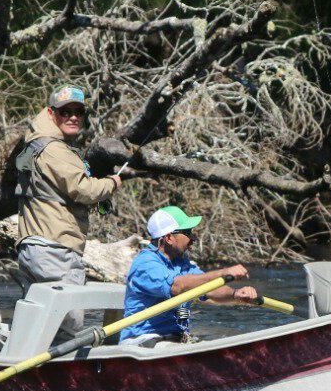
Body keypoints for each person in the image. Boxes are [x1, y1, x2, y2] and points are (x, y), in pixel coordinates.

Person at [16, 84, 122, 337]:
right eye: (65, 112)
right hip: (56, 251)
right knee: (67, 327)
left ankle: (30, 372)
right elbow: (83, 190)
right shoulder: (54, 148)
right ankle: (65, 375)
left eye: (79, 112)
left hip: (35, 248)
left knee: (37, 324)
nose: (73, 117)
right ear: (52, 114)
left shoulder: (39, 143)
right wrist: (112, 183)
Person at [119, 205, 259, 347]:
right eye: (187, 233)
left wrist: (235, 294)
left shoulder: (183, 264)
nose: (193, 238)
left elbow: (209, 288)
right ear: (169, 237)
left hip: (172, 340)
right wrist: (223, 273)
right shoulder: (145, 264)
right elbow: (177, 286)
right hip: (141, 340)